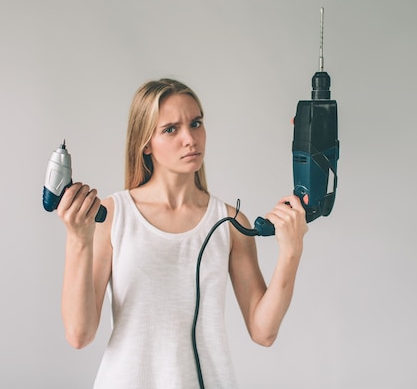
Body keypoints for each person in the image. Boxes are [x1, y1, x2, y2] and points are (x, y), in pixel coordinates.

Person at [57, 78, 308, 389]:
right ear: (145, 143)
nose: (190, 138)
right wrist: (78, 239)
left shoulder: (229, 222)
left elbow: (263, 331)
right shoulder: (113, 216)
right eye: (170, 129)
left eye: (196, 123)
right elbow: (79, 335)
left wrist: (291, 252)